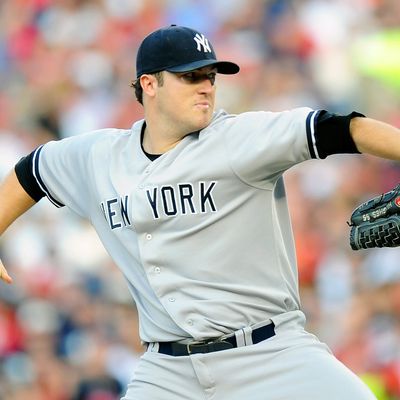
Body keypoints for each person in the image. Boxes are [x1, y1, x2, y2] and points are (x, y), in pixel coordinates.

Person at [1, 24, 398, 400]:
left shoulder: (239, 140)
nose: (206, 86)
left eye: (211, 76)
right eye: (190, 77)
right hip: (167, 371)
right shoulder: (97, 157)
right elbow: (30, 173)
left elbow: (345, 129)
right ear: (149, 84)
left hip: (271, 353)